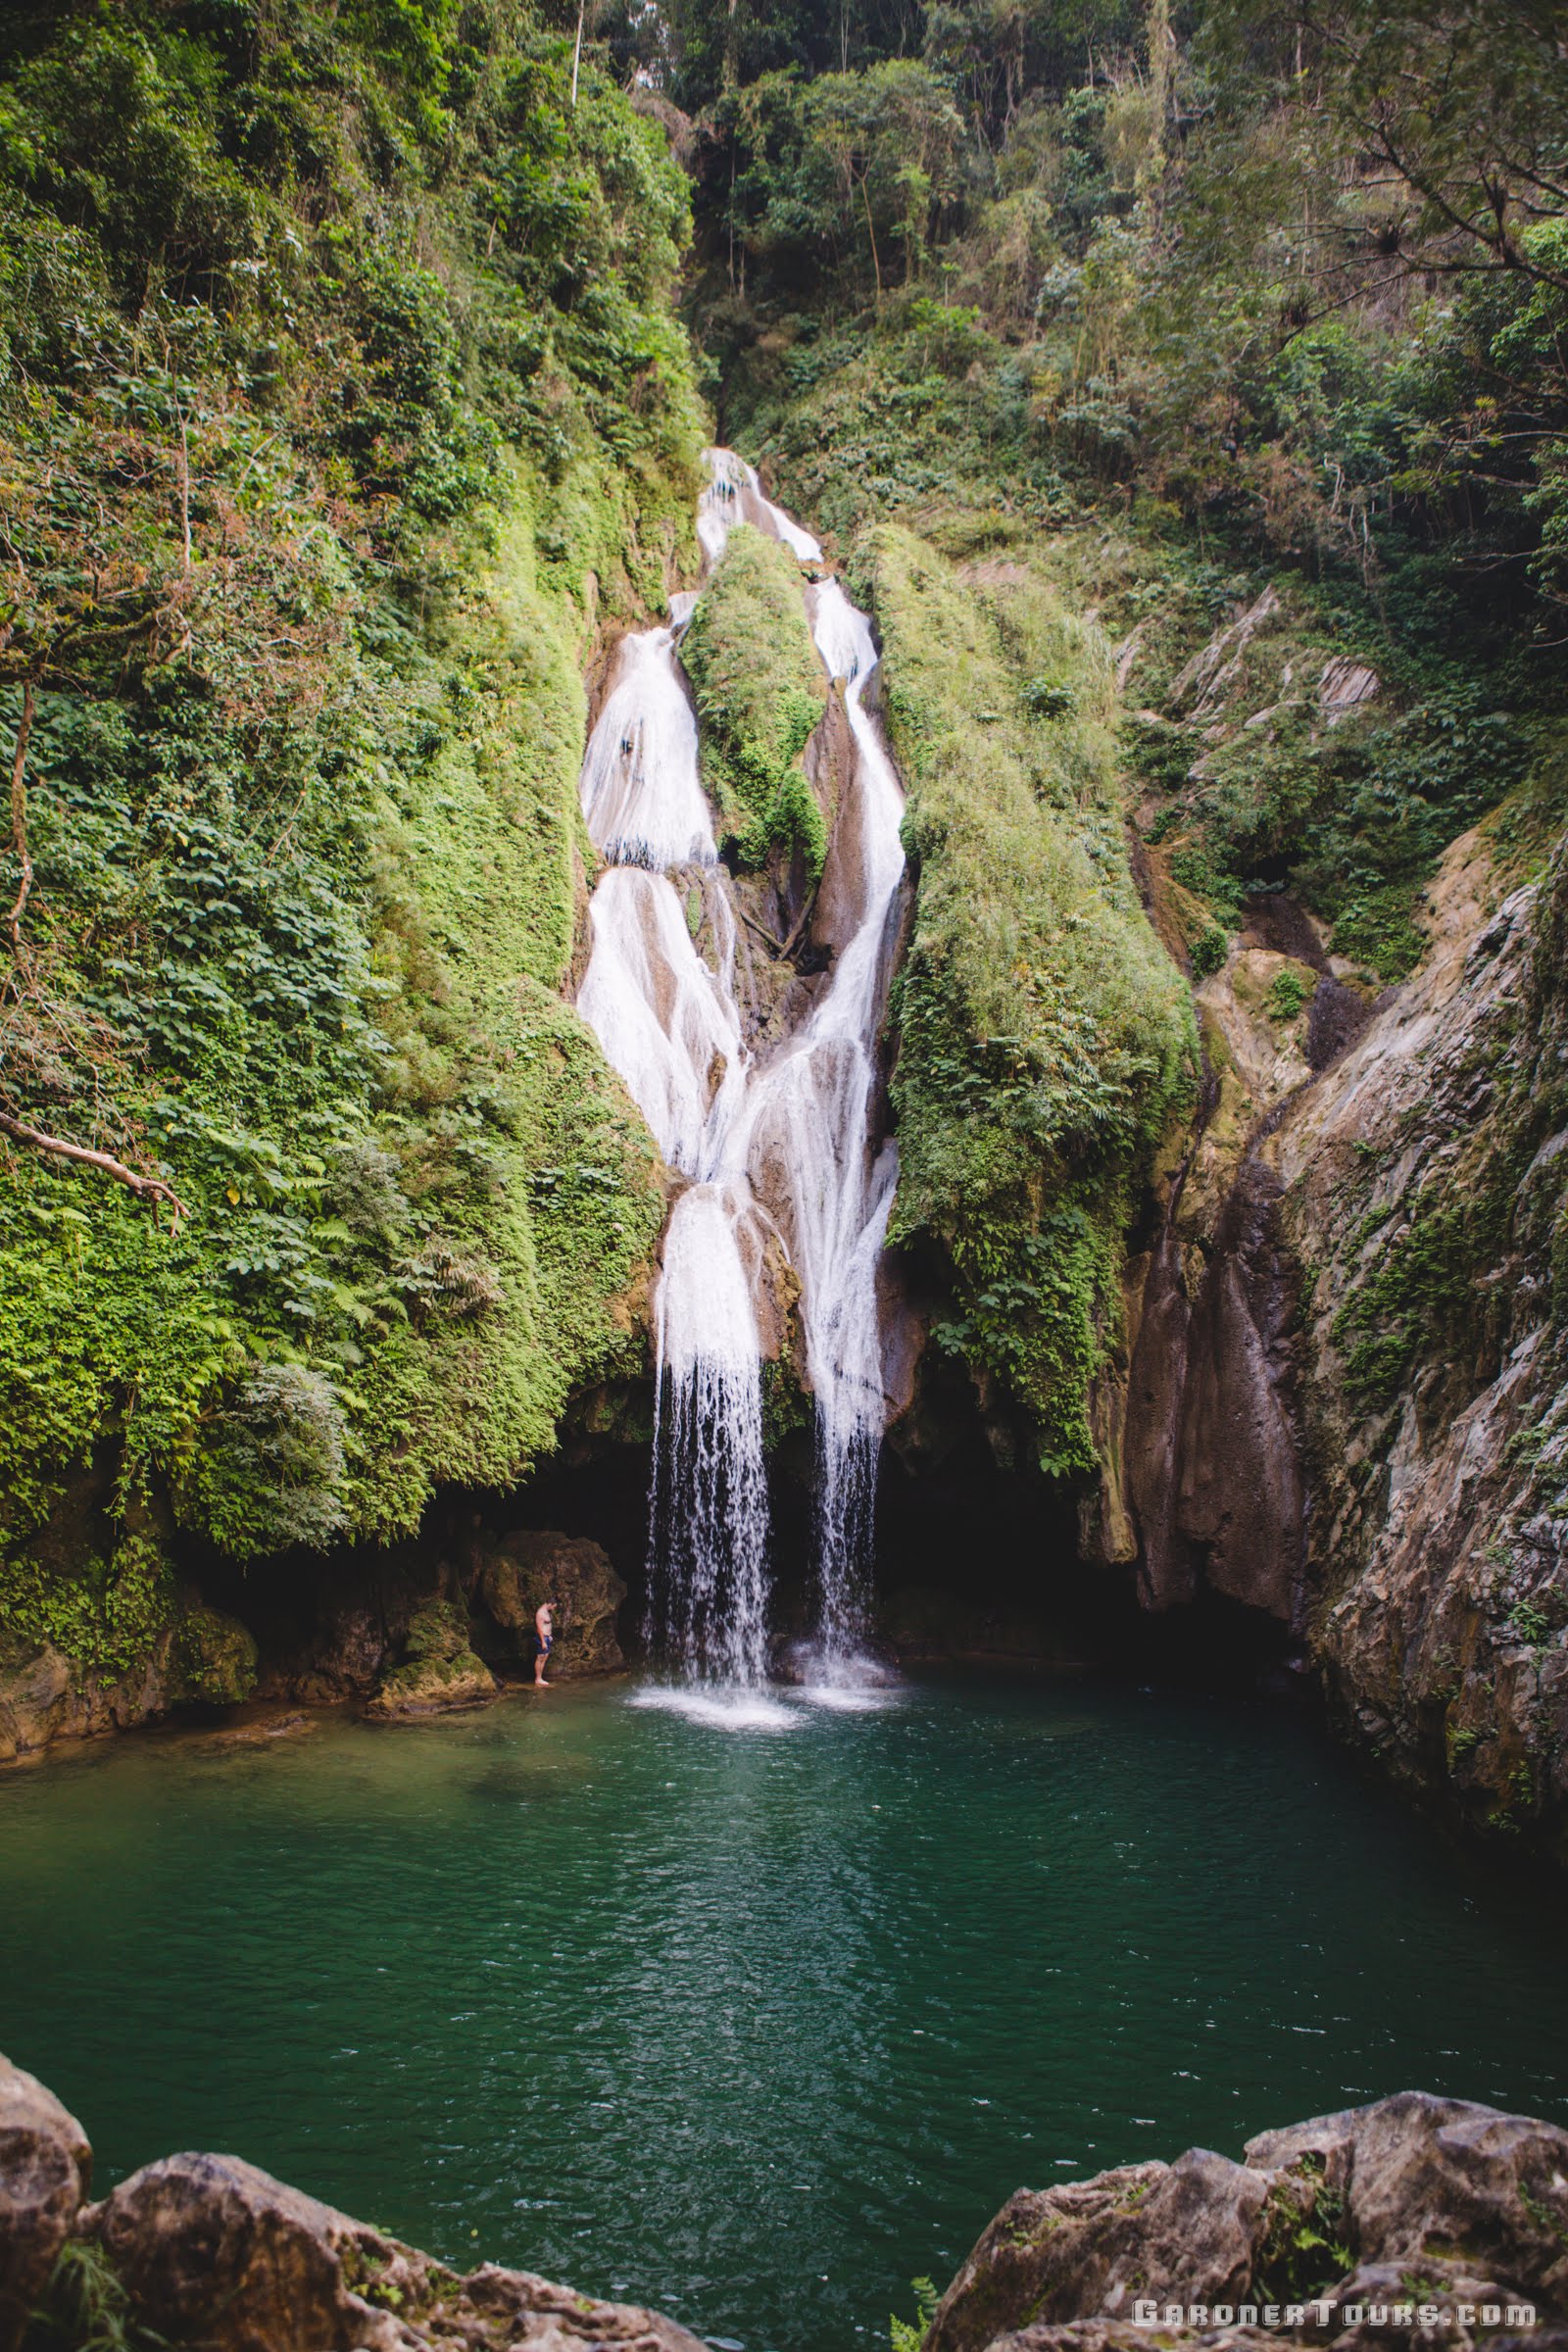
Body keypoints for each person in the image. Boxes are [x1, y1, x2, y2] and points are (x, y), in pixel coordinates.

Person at [532, 1598, 556, 1689]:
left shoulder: (546, 1611)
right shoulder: (540, 1613)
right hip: (542, 1638)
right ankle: (538, 1678)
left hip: (547, 1637)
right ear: (550, 1604)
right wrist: (543, 1641)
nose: (553, 1608)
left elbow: (547, 1625)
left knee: (545, 1657)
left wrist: (549, 1636)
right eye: (553, 1606)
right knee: (540, 1657)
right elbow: (539, 1628)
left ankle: (540, 1678)